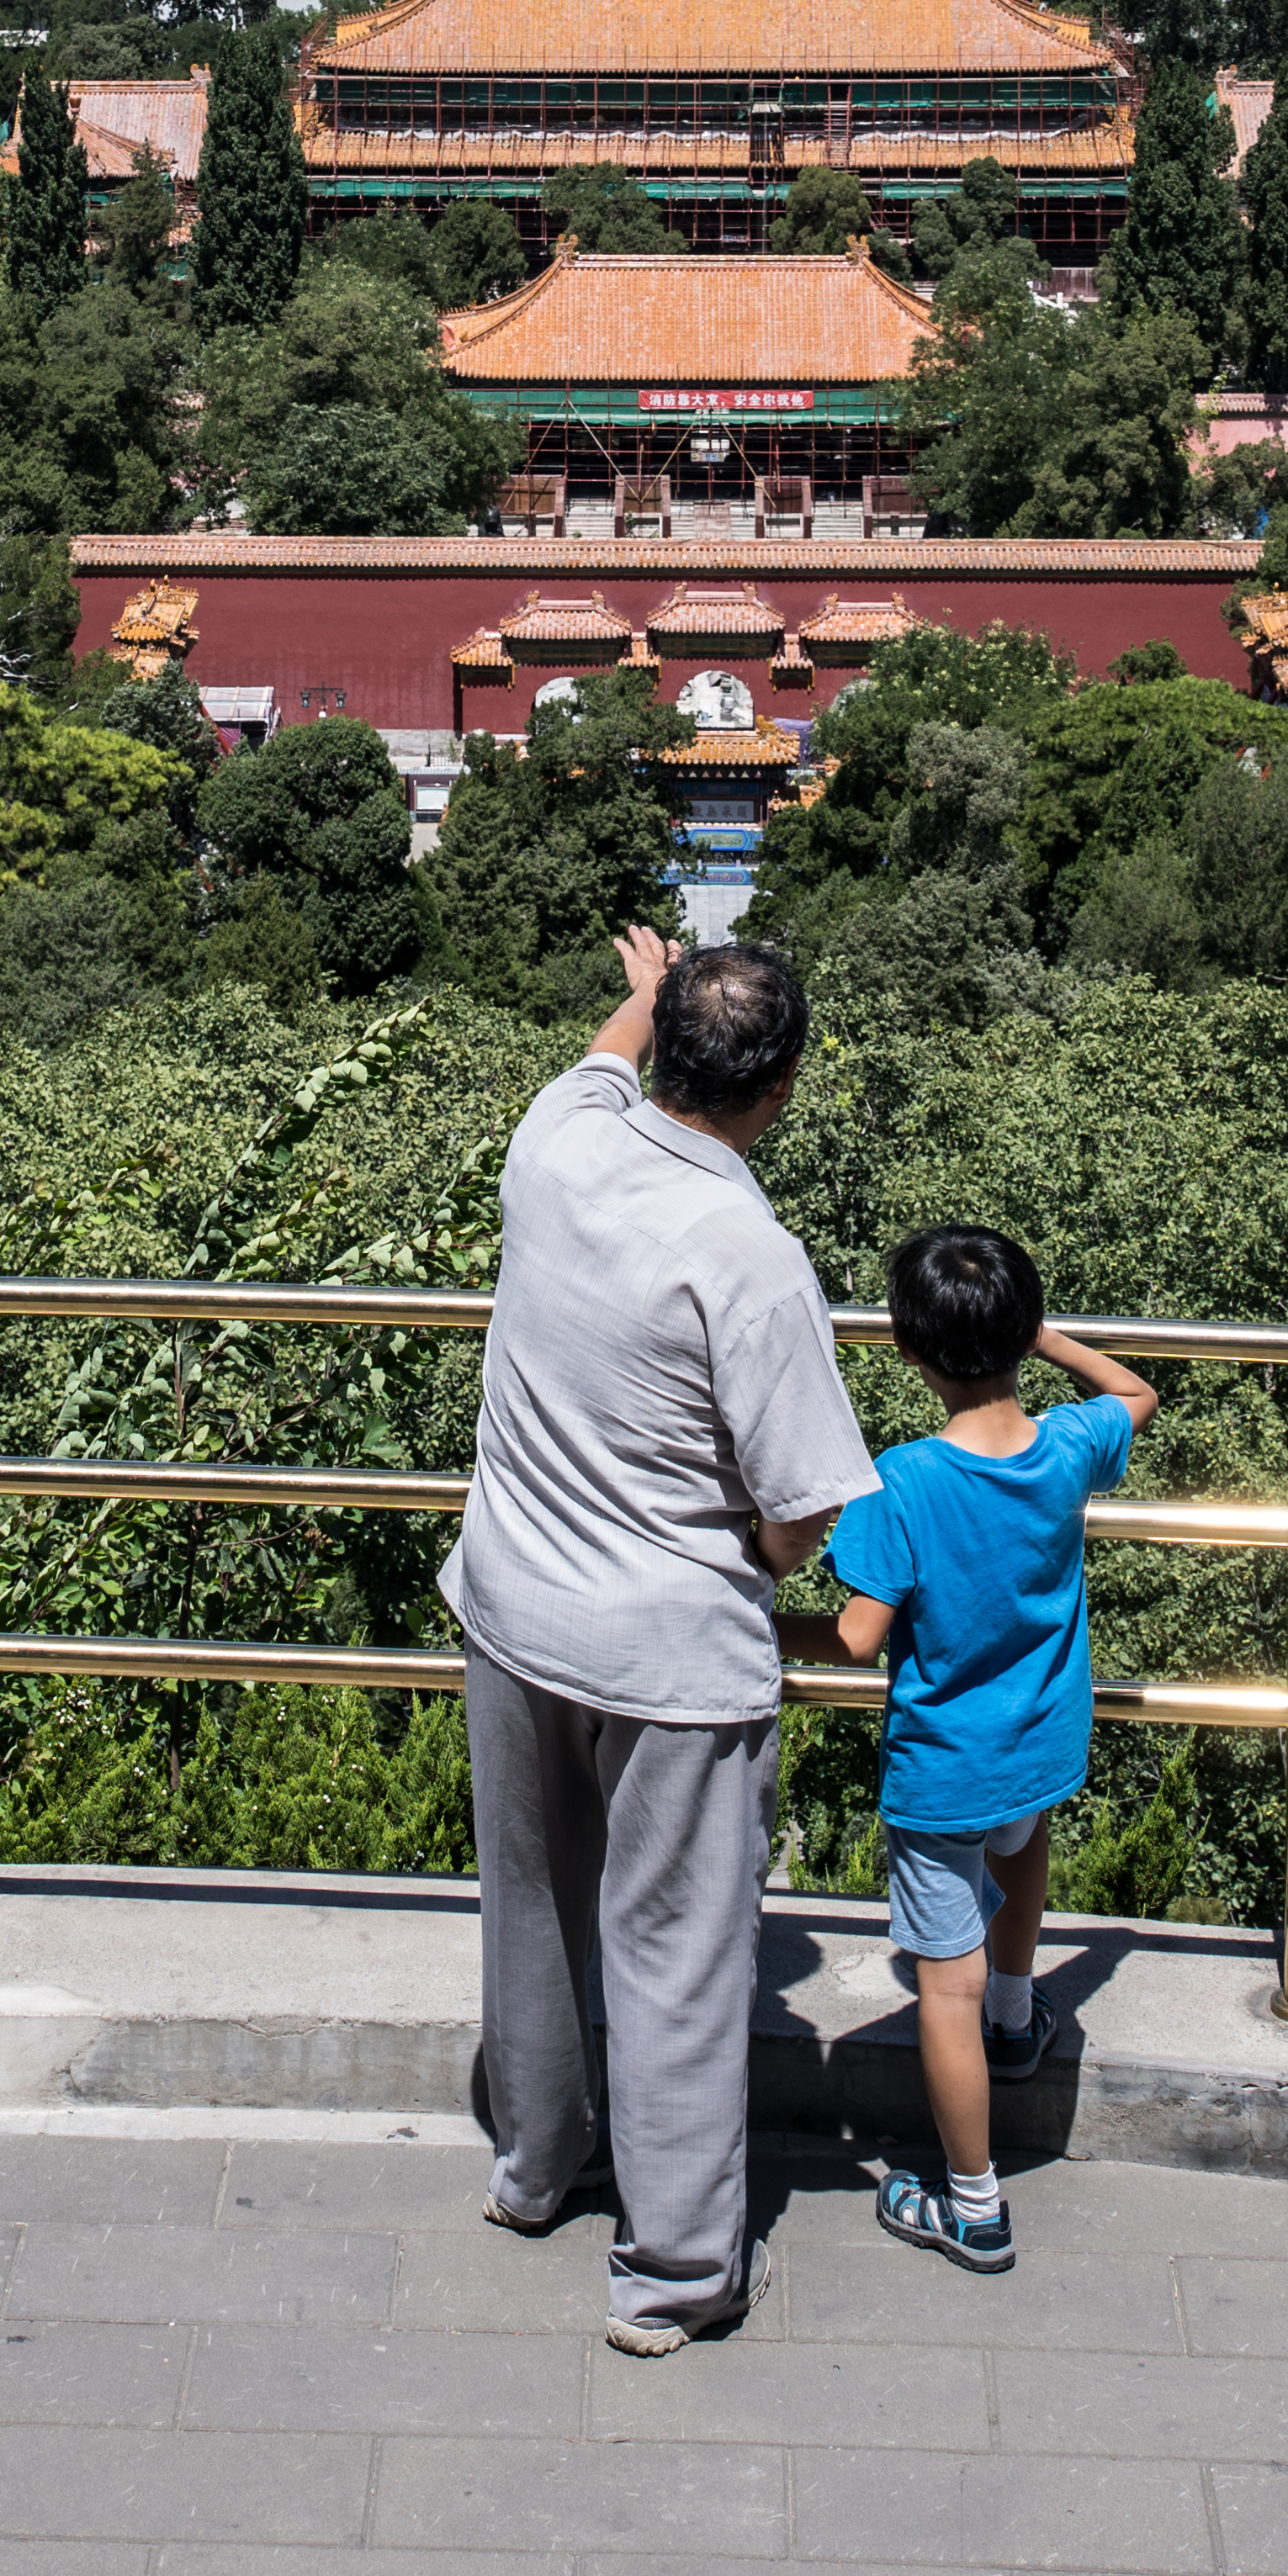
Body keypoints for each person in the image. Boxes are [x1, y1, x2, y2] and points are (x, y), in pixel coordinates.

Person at [442, 925, 873, 2355]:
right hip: (671, 1659)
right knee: (677, 1951)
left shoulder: (554, 1146)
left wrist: (639, 993)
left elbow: (598, 1061)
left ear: (666, 1045)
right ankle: (677, 2268)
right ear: (783, 1089)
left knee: (536, 1911)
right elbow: (803, 1512)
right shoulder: (751, 1255)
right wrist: (750, 1549)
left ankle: (535, 2167)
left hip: (513, 1611)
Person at [808, 1219, 1155, 2274]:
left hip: (943, 1765)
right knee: (1023, 1848)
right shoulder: (1065, 1448)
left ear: (908, 1352)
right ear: (1019, 1328)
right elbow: (1135, 1394)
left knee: (937, 1987)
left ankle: (970, 2201)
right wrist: (1044, 1337)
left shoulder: (902, 1479)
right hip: (1038, 1739)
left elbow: (858, 1635)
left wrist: (736, 1619)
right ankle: (1017, 2016)